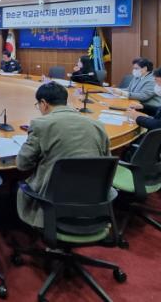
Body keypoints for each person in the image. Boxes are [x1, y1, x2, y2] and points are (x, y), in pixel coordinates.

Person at [16, 81, 110, 228]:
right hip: (92, 199)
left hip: (53, 201)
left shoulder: (41, 124)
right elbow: (107, 162)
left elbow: (22, 164)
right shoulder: (98, 125)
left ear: (43, 103)